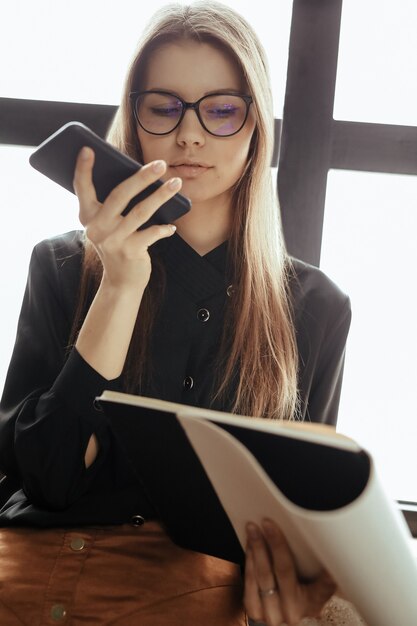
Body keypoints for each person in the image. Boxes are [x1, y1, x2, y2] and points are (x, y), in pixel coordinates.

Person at [0, 2, 362, 624]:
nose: (189, 135)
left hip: (188, 594)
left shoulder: (315, 307)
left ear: (255, 128)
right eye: (164, 108)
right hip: (27, 566)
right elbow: (46, 480)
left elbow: (304, 519)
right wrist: (119, 285)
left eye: (221, 110)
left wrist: (298, 585)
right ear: (134, 119)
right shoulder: (63, 265)